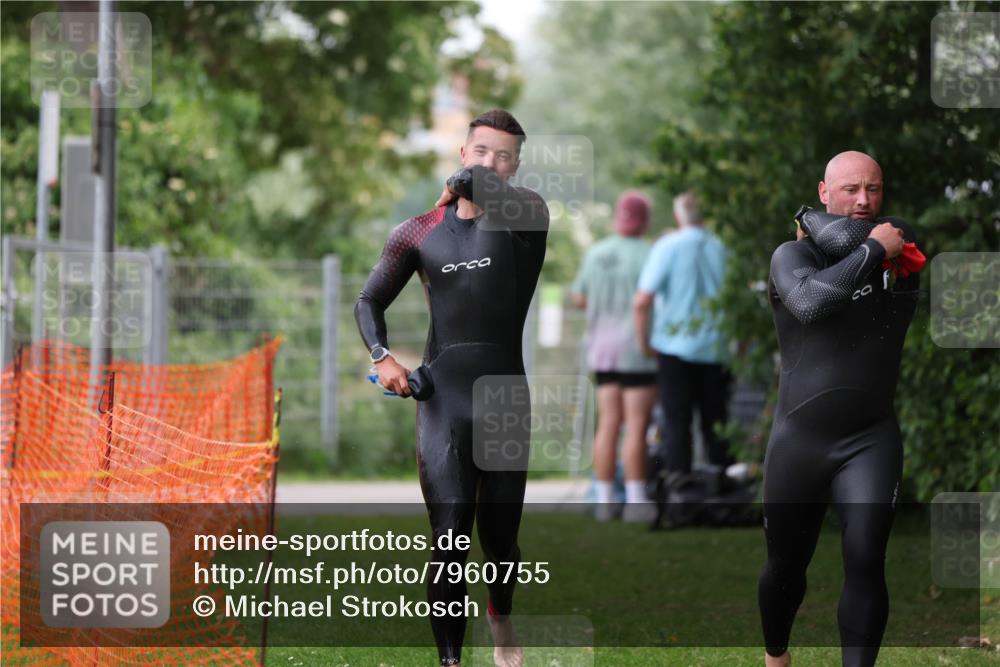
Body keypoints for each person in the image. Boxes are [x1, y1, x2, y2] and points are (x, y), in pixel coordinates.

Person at [355, 109, 548, 667]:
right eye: (481, 151)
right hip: (443, 400)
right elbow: (369, 301)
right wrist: (383, 357)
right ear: (463, 151)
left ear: (515, 167)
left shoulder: (525, 216)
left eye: (504, 156)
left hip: (505, 401)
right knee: (449, 537)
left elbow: (478, 190)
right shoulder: (417, 232)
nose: (491, 162)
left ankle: (501, 615)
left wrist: (462, 185)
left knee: (501, 541)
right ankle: (451, 661)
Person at [757, 151, 921, 667]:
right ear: (826, 193)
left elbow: (869, 238)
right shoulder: (792, 257)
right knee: (786, 565)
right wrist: (853, 240)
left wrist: (863, 240)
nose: (863, 201)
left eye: (873, 189)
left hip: (869, 439)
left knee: (867, 559)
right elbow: (810, 305)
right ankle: (776, 656)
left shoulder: (898, 243)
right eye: (850, 190)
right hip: (799, 441)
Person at [633, 192, 732, 489]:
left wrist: (645, 343)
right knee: (716, 424)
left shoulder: (668, 246)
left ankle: (680, 489)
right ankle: (722, 487)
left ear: (678, 216)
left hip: (674, 346)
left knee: (677, 422)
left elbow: (642, 301)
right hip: (716, 347)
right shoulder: (722, 247)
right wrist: (739, 346)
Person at [570, 191, 658, 521]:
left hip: (602, 351)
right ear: (644, 219)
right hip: (638, 350)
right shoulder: (650, 254)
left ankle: (604, 501)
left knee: (607, 424)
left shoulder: (596, 253)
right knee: (636, 427)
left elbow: (578, 297)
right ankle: (636, 501)